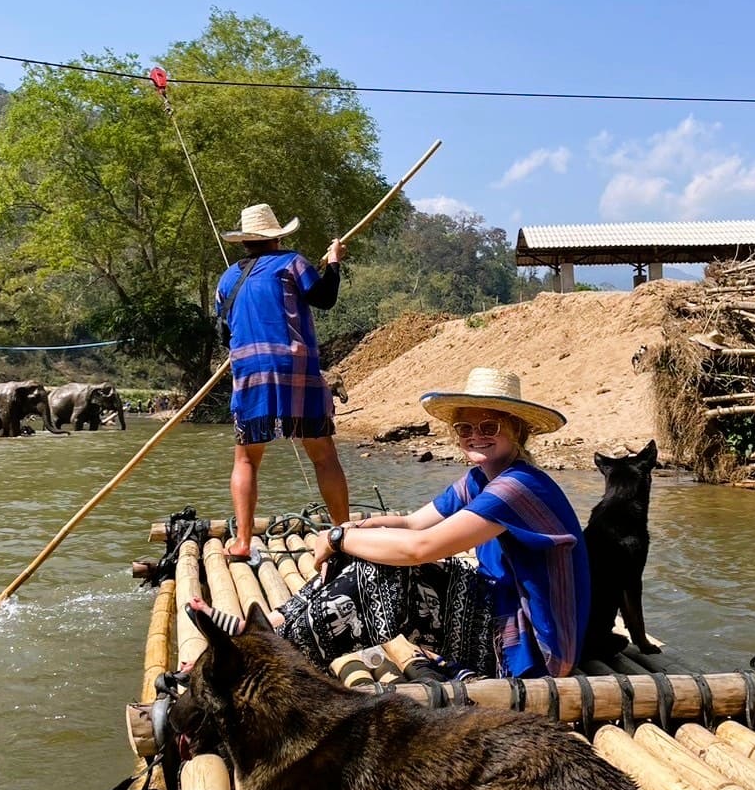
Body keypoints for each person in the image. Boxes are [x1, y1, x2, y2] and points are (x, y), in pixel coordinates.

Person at [192, 367, 591, 679]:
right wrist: (351, 532)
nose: (475, 436)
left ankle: (260, 654)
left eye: (490, 427)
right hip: (499, 609)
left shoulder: (519, 487)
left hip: (534, 648)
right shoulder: (481, 479)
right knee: (365, 550)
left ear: (517, 430)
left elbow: (419, 548)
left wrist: (338, 538)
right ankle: (269, 626)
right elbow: (413, 523)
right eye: (465, 428)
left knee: (388, 575)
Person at [216, 203, 350, 564]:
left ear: (246, 241)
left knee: (246, 459)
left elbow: (225, 333)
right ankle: (343, 532)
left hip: (249, 371)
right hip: (296, 368)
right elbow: (325, 298)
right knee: (323, 454)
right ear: (276, 237)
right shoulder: (292, 262)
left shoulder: (226, 279)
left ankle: (242, 541)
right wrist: (334, 262)